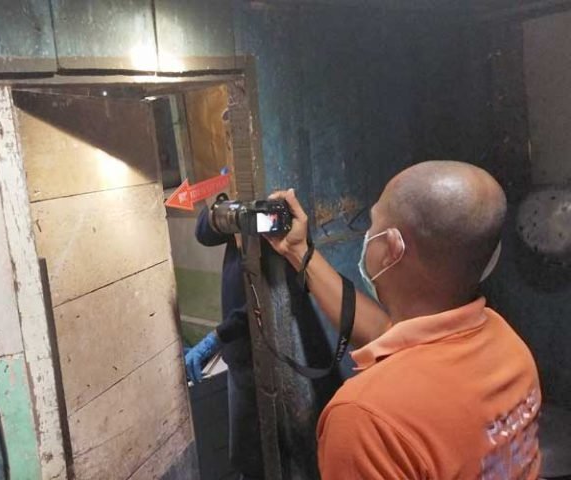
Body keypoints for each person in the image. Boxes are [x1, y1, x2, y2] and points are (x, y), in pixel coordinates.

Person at [267, 161, 541, 479]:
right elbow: (385, 335)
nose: (368, 235)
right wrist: (299, 251)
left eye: (373, 224)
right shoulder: (507, 344)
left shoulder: (365, 419)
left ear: (392, 248)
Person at [184, 204, 264, 479]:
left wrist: (217, 337)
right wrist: (227, 214)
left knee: (253, 456)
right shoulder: (240, 213)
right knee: (242, 454)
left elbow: (259, 300)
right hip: (238, 356)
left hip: (261, 356)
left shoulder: (270, 223)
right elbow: (203, 233)